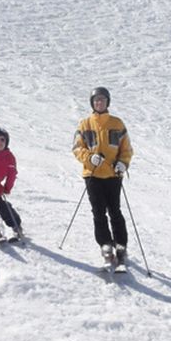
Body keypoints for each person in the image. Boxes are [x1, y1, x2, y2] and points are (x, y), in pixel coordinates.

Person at [72, 87, 133, 268]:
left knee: (115, 210)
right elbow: (76, 148)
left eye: (102, 100)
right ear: (92, 103)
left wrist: (123, 162)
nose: (99, 103)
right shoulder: (84, 124)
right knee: (98, 211)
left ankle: (121, 244)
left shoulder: (117, 123)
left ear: (107, 102)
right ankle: (105, 244)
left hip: (113, 174)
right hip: (93, 175)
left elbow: (127, 148)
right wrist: (89, 158)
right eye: (96, 100)